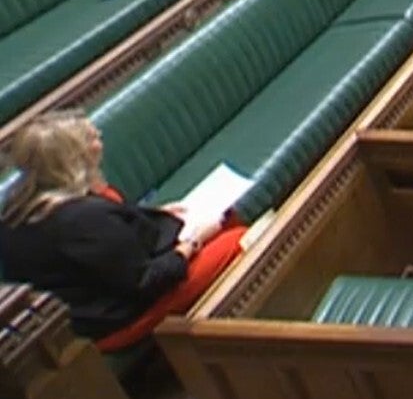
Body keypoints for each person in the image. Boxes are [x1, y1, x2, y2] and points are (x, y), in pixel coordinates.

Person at [0, 112, 248, 352]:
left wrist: (153, 213)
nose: (99, 137)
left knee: (223, 219)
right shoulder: (84, 219)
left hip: (105, 294)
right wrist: (193, 242)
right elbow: (146, 282)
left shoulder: (20, 206)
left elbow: (111, 237)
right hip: (117, 318)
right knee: (238, 239)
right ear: (73, 158)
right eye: (90, 138)